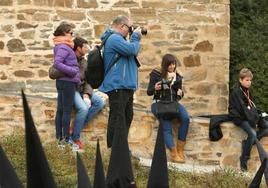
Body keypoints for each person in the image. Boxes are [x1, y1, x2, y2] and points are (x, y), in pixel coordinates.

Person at [98, 15, 142, 148]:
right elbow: (132, 50)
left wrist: (132, 37)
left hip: (125, 86)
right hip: (118, 85)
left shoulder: (120, 40)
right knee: (117, 118)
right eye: (129, 28)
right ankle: (113, 149)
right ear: (122, 26)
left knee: (127, 117)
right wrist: (135, 37)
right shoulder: (113, 38)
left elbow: (131, 52)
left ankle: (121, 148)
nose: (130, 31)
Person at [147, 54, 190, 163]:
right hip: (159, 104)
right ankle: (173, 153)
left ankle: (180, 149)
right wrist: (155, 88)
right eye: (170, 65)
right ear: (165, 65)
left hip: (172, 103)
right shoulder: (156, 74)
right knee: (166, 125)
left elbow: (178, 95)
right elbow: (149, 92)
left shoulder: (178, 76)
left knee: (185, 118)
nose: (172, 67)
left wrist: (181, 94)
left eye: (174, 64)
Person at [229, 68, 268, 171]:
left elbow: (252, 106)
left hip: (249, 115)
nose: (249, 82)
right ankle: (244, 159)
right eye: (247, 80)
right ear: (240, 80)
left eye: (250, 80)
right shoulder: (237, 92)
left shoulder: (248, 91)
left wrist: (259, 114)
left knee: (266, 127)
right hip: (239, 117)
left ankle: (247, 143)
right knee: (253, 134)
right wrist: (254, 120)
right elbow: (243, 110)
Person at [70, 37, 105, 149]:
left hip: (81, 91)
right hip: (72, 90)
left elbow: (88, 80)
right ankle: (75, 138)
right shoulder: (70, 59)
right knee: (84, 108)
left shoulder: (84, 61)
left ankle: (75, 124)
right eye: (85, 46)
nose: (87, 48)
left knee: (99, 102)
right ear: (78, 47)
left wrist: (87, 94)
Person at [53, 22, 80, 149]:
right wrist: (72, 71)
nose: (72, 35)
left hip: (62, 81)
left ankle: (59, 139)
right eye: (70, 33)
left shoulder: (60, 45)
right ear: (64, 33)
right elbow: (57, 63)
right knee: (66, 111)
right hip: (67, 82)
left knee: (61, 110)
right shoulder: (64, 46)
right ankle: (66, 140)